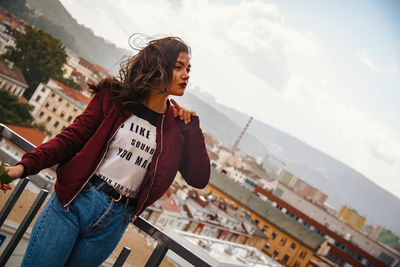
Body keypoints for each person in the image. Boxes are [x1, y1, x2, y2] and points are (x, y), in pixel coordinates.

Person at [3, 36, 210, 266]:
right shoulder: (114, 98)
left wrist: (193, 129)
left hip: (114, 221)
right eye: (179, 67)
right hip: (75, 200)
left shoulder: (178, 128)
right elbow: (71, 139)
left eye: (188, 69)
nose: (186, 75)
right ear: (159, 67)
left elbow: (198, 178)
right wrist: (22, 168)